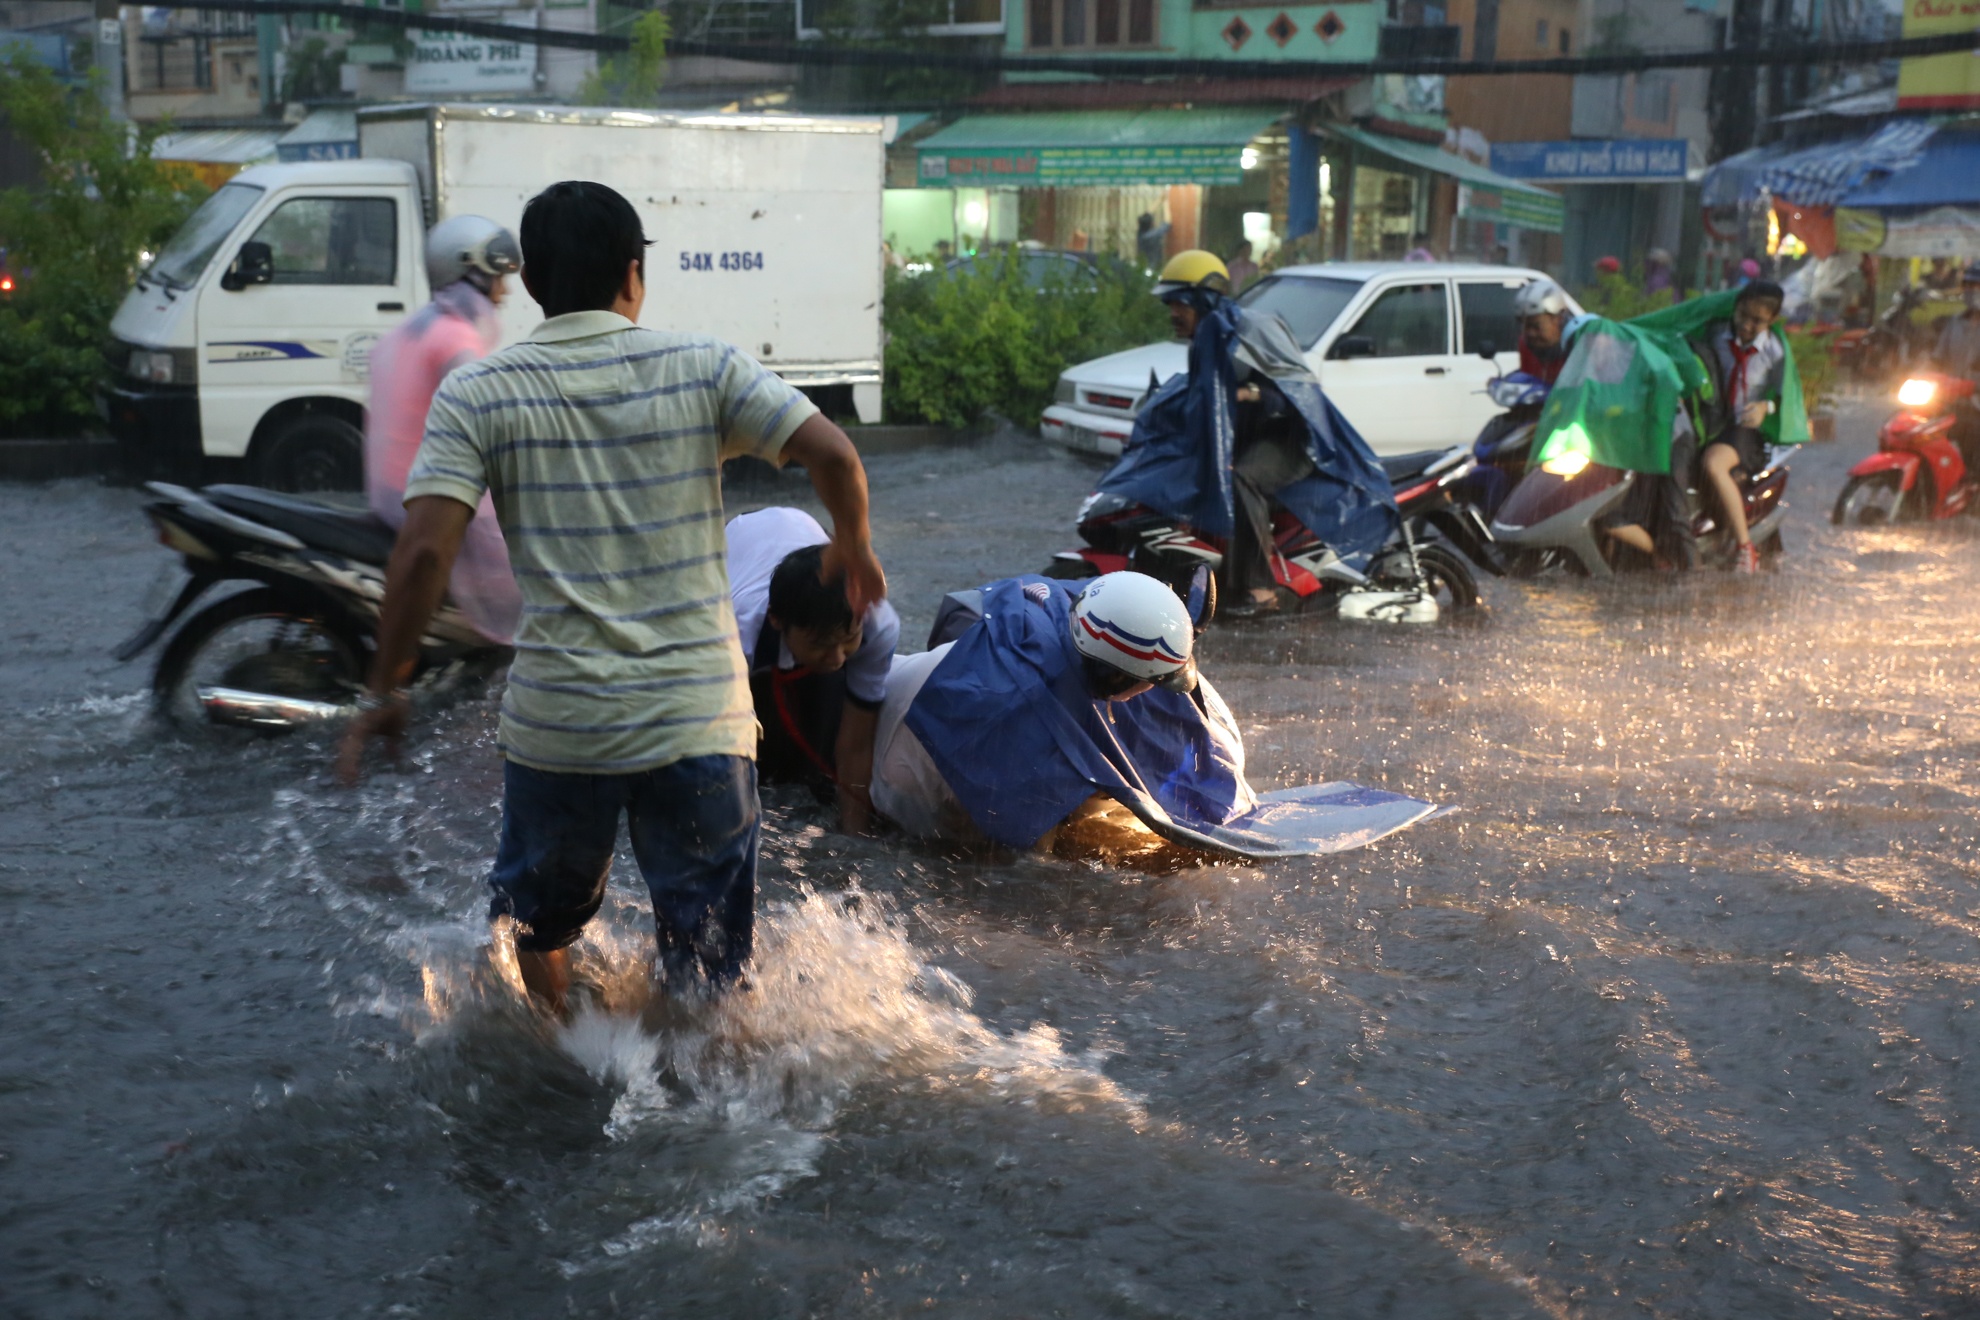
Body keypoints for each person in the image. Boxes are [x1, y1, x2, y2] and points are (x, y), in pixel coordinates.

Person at [336, 180, 887, 1015]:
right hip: (697, 722)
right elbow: (835, 457)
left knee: (538, 928)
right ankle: (695, 1106)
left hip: (563, 729)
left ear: (531, 286)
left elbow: (419, 557)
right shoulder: (703, 366)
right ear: (635, 274)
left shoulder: (481, 391)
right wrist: (852, 548)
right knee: (707, 965)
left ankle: (564, 1061)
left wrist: (386, 688)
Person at [1127, 250, 1396, 619]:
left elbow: (1297, 396)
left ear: (1202, 300)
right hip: (1252, 438)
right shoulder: (1207, 338)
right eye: (1170, 304)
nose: (1172, 313)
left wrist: (1248, 394)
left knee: (1241, 480)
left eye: (1179, 304)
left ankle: (1260, 586)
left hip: (1292, 441)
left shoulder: (1251, 331)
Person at [872, 572, 1218, 852]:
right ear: (1115, 677)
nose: (1157, 690)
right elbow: (1027, 850)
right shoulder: (1018, 721)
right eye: (1152, 681)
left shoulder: (1078, 606)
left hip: (914, 683)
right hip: (896, 764)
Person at [363, 215, 524, 644]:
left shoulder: (413, 329)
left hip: (388, 496)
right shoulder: (456, 342)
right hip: (427, 500)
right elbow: (492, 423)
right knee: (523, 582)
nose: (505, 292)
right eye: (497, 278)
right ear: (469, 272)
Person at [725, 506, 900, 833]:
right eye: (820, 643)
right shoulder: (734, 634)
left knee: (823, 762)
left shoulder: (878, 622)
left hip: (803, 527)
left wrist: (855, 836)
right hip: (734, 544)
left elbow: (856, 744)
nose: (836, 658)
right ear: (777, 622)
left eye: (848, 640)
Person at [1690, 280, 1788, 573]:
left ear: (1772, 319)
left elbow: (1790, 400)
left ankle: (1745, 548)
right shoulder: (1717, 334)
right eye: (1742, 315)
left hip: (1746, 430)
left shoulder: (1776, 352)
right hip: (1713, 422)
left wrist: (1765, 407)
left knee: (1713, 464)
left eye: (1756, 320)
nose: (1745, 325)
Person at [1513, 277, 1588, 387]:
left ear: (1559, 319)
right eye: (1524, 326)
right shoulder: (1526, 344)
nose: (1530, 333)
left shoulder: (1581, 344)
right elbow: (1529, 384)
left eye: (1535, 326)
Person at [1933, 261, 1980, 380]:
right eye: (1969, 286)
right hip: (1952, 393)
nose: (1974, 291)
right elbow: (1937, 358)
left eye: (1978, 286)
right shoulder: (1955, 322)